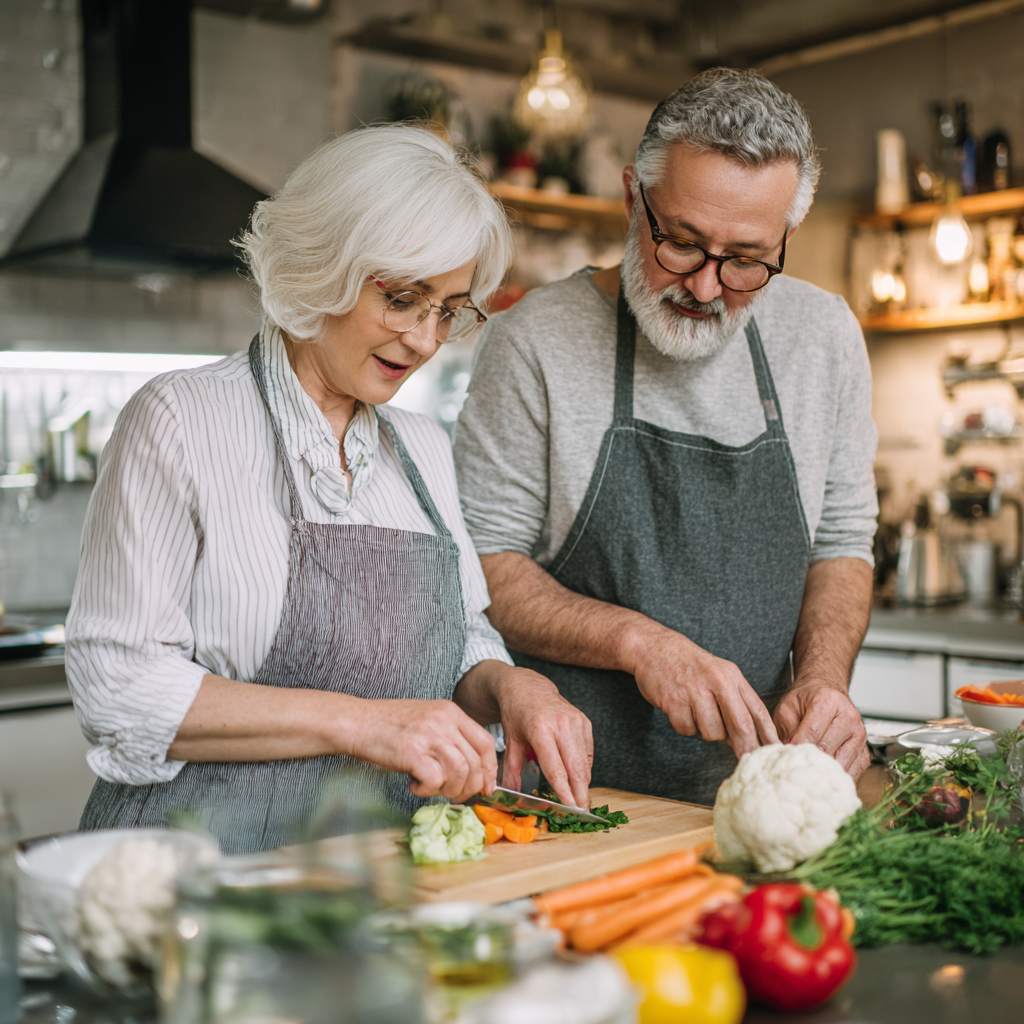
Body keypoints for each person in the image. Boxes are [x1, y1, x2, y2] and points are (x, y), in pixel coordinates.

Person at [66, 125, 593, 854]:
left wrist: (509, 684)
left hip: (370, 876)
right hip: (198, 873)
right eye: (404, 298)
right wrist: (363, 722)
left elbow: (459, 637)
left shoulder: (423, 449)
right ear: (324, 265)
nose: (424, 340)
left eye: (448, 309)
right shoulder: (180, 420)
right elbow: (118, 689)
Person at [453, 69, 878, 806]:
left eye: (746, 259)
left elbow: (841, 543)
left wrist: (821, 681)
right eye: (681, 243)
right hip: (573, 799)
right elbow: (481, 569)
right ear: (631, 198)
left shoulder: (824, 336)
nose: (707, 287)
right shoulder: (532, 343)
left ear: (787, 237)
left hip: (761, 796)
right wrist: (641, 644)